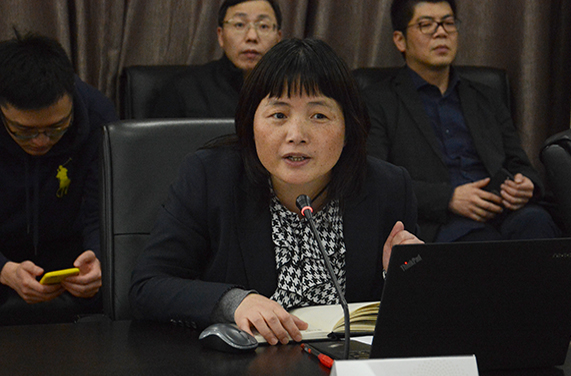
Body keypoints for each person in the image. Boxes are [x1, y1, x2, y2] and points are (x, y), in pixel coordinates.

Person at [130, 38, 422, 345]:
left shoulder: (387, 187)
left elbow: (408, 314)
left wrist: (405, 276)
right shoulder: (210, 178)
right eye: (279, 115)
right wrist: (233, 302)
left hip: (345, 364)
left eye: (319, 116)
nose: (296, 135)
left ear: (349, 128)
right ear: (250, 124)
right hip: (245, 366)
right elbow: (147, 287)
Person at [363, 0, 560, 242]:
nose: (441, 32)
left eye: (448, 23)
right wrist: (449, 198)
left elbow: (520, 164)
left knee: (538, 223)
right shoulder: (378, 101)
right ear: (400, 40)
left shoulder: (485, 96)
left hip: (501, 209)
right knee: (480, 243)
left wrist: (525, 184)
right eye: (426, 24)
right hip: (440, 220)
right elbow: (376, 180)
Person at [0, 33, 118, 325]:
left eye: (56, 127)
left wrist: (100, 258)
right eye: (23, 131)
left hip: (71, 258)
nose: (41, 141)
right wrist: (4, 269)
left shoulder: (98, 115)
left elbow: (101, 207)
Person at [152, 0, 282, 118]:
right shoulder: (183, 89)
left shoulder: (290, 90)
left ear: (278, 38)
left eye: (263, 26)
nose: (252, 36)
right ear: (221, 36)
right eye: (239, 24)